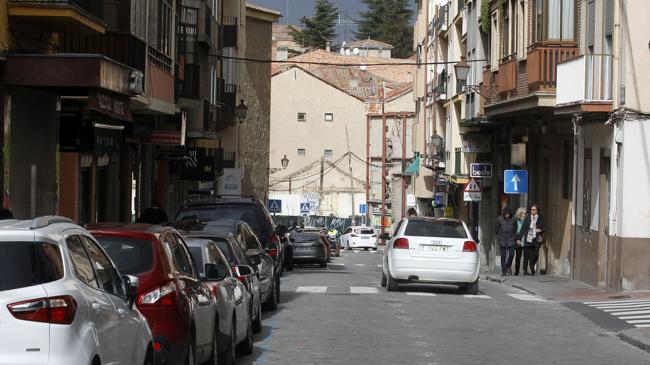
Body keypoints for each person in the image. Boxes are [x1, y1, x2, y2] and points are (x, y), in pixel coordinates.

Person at [519, 204, 545, 275]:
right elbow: (523, 228)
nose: (532, 211)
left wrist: (540, 230)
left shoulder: (540, 218)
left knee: (536, 255)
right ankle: (530, 270)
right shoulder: (527, 217)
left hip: (536, 239)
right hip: (529, 238)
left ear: (537, 210)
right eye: (531, 209)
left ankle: (531, 265)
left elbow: (544, 228)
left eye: (533, 210)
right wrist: (519, 238)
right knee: (529, 255)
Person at [494, 206, 517, 276]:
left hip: (511, 238)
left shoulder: (514, 219)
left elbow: (515, 228)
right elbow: (496, 229)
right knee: (503, 256)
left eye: (509, 214)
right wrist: (500, 236)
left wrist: (513, 235)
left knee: (511, 254)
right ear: (504, 213)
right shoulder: (499, 219)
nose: (507, 215)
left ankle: (508, 266)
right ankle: (503, 271)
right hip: (502, 239)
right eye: (506, 214)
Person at [513, 207, 527, 275]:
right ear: (520, 214)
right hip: (518, 239)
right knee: (518, 256)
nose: (525, 214)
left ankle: (525, 271)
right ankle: (517, 271)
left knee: (526, 256)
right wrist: (516, 239)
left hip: (526, 239)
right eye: (524, 213)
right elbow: (514, 231)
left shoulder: (527, 221)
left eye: (525, 213)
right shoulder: (516, 221)